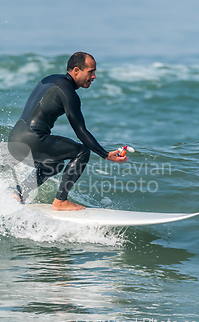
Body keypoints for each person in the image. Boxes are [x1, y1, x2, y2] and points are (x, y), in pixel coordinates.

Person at [8, 52, 128, 211]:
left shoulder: (50, 79)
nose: (94, 76)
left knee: (55, 164)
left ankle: (19, 192)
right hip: (32, 140)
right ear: (76, 70)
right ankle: (60, 201)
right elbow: (81, 132)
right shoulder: (69, 93)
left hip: (14, 141)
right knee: (82, 151)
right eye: (90, 71)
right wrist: (105, 154)